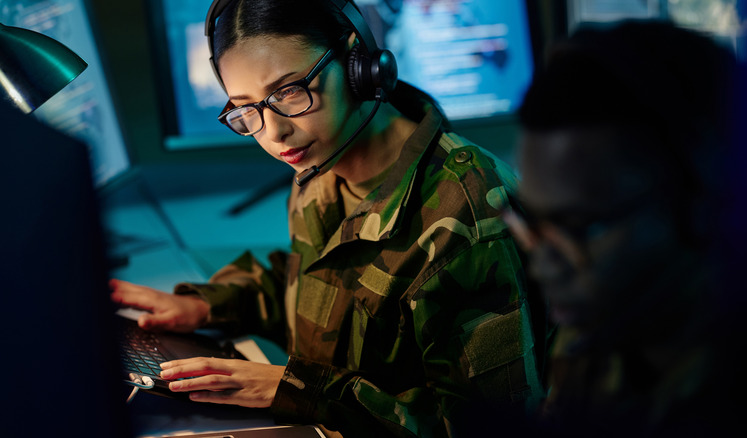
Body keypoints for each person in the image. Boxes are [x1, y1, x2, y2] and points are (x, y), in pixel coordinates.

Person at [110, 0, 546, 436]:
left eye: (289, 91)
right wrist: (206, 306)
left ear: (358, 64)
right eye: (246, 109)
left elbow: (487, 427)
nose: (274, 133)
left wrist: (298, 389)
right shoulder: (320, 167)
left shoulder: (469, 217)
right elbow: (325, 295)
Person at [503, 20, 746, 437]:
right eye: (531, 223)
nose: (544, 265)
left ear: (704, 201)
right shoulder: (596, 341)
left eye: (577, 227)